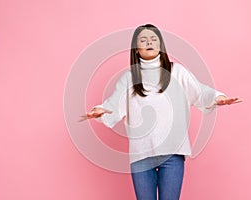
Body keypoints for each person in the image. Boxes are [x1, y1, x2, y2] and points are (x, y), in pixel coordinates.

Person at [79, 24, 241, 200]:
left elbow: (200, 92)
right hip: (141, 156)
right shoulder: (129, 78)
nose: (149, 42)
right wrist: (99, 111)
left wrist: (218, 98)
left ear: (160, 45)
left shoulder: (177, 72)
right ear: (136, 48)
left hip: (172, 154)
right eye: (143, 39)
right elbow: (113, 106)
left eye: (153, 38)